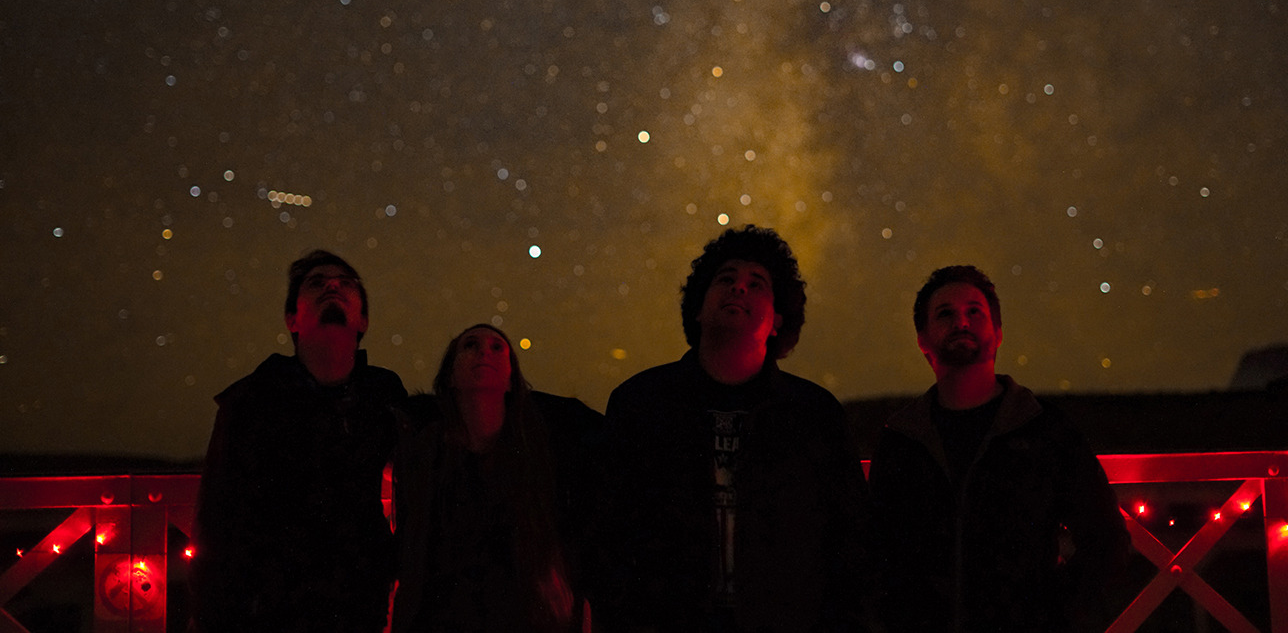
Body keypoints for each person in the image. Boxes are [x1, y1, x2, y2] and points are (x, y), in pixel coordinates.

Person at [591, 225, 874, 633]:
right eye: (726, 279)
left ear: (777, 320)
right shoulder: (640, 405)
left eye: (756, 284)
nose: (739, 289)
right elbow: (607, 533)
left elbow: (849, 543)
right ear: (698, 308)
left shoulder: (814, 416)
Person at [870, 265, 1129, 633]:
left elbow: (1106, 541)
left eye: (974, 311)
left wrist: (1050, 614)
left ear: (999, 333)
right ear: (923, 339)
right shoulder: (900, 441)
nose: (961, 321)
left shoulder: (1046, 432)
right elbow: (873, 553)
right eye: (946, 314)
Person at [190, 250, 408, 633]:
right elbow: (217, 514)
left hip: (358, 602)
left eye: (345, 283)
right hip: (269, 607)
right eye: (317, 283)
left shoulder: (383, 395)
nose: (332, 287)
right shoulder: (252, 401)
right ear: (292, 319)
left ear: (363, 320)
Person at [391, 323, 602, 633]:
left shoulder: (546, 447)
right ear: (451, 376)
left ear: (510, 380)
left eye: (496, 347)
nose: (483, 352)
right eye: (470, 345)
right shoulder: (423, 452)